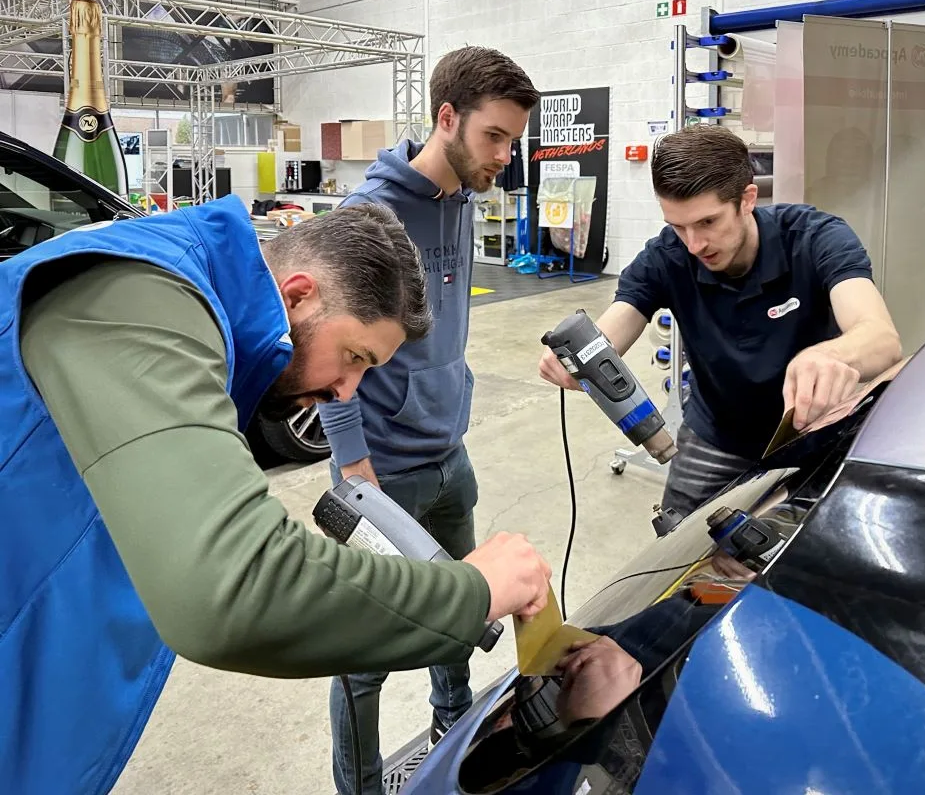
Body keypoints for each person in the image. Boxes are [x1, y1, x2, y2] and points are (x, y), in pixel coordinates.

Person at [1, 195, 553, 795]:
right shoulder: (137, 295)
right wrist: (474, 592)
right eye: (353, 358)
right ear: (296, 295)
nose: (347, 393)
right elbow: (228, 586)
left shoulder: (214, 333)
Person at [317, 47, 540, 795]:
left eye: (512, 141)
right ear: (446, 118)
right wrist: (353, 466)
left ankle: (454, 722)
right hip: (381, 467)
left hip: (450, 450)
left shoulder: (467, 197)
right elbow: (325, 348)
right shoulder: (369, 216)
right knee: (366, 656)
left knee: (463, 607)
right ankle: (362, 784)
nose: (504, 158)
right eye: (494, 137)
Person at [540, 124, 902, 521]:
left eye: (708, 223)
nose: (694, 245)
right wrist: (580, 362)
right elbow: (611, 332)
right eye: (679, 226)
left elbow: (881, 338)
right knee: (677, 555)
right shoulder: (666, 256)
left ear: (747, 199)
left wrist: (834, 354)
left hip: (815, 437)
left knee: (804, 556)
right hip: (715, 437)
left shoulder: (814, 237)